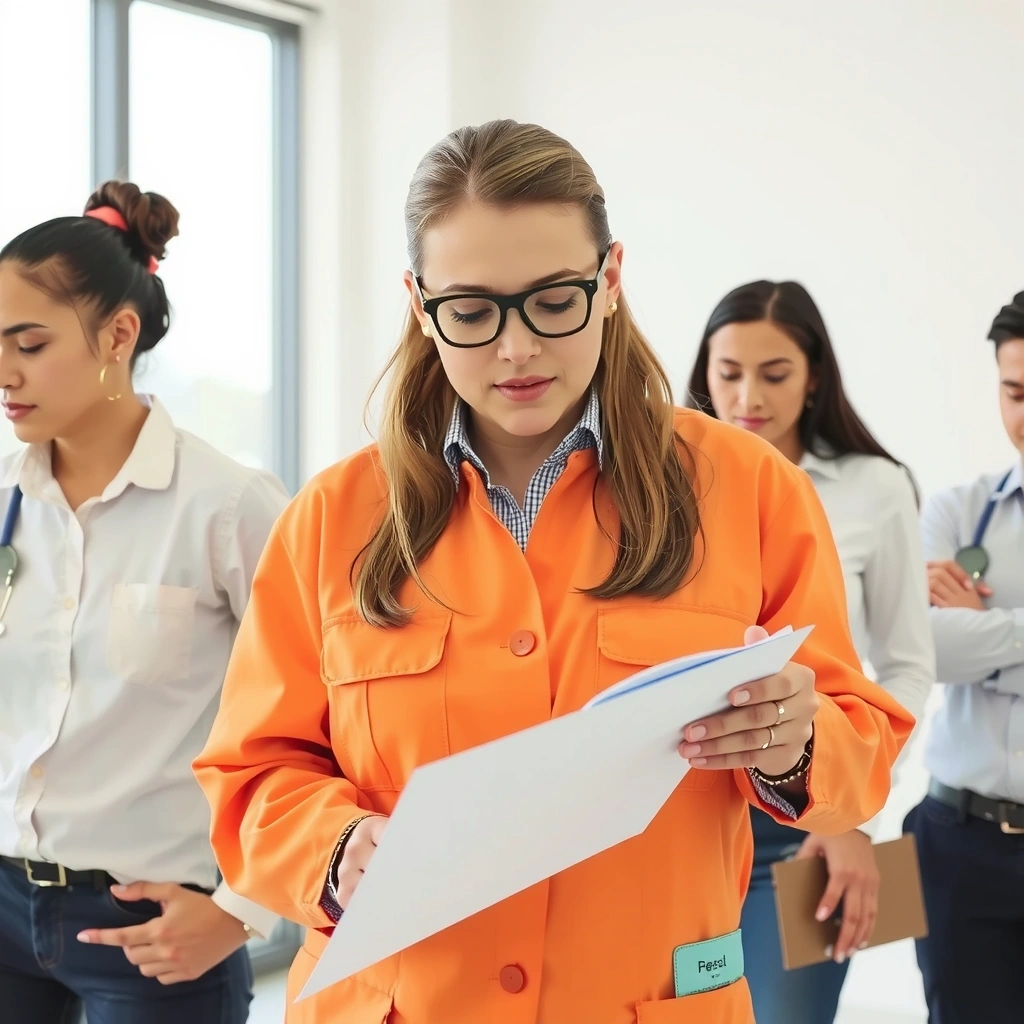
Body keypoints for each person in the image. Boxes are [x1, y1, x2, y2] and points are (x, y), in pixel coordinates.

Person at [193, 120, 913, 1024]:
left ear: (609, 281)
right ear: (420, 304)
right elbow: (254, 773)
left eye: (552, 300)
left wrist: (795, 743)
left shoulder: (751, 490)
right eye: (472, 310)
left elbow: (860, 743)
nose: (517, 348)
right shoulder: (330, 519)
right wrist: (334, 849)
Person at [0, 181, 290, 1024]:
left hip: (156, 929)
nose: (4, 372)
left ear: (118, 335)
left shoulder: (228, 506)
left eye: (28, 343)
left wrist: (240, 910)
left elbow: (326, 715)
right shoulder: (9, 504)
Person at [685, 280, 934, 1024]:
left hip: (806, 822)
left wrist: (851, 820)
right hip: (688, 815)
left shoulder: (876, 488)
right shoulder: (670, 481)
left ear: (815, 376)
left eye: (774, 373)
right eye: (727, 374)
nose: (747, 396)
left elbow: (906, 667)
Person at [904, 289, 1024, 1024]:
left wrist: (983, 632)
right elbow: (922, 649)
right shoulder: (957, 509)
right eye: (1015, 392)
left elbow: (956, 643)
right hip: (958, 844)